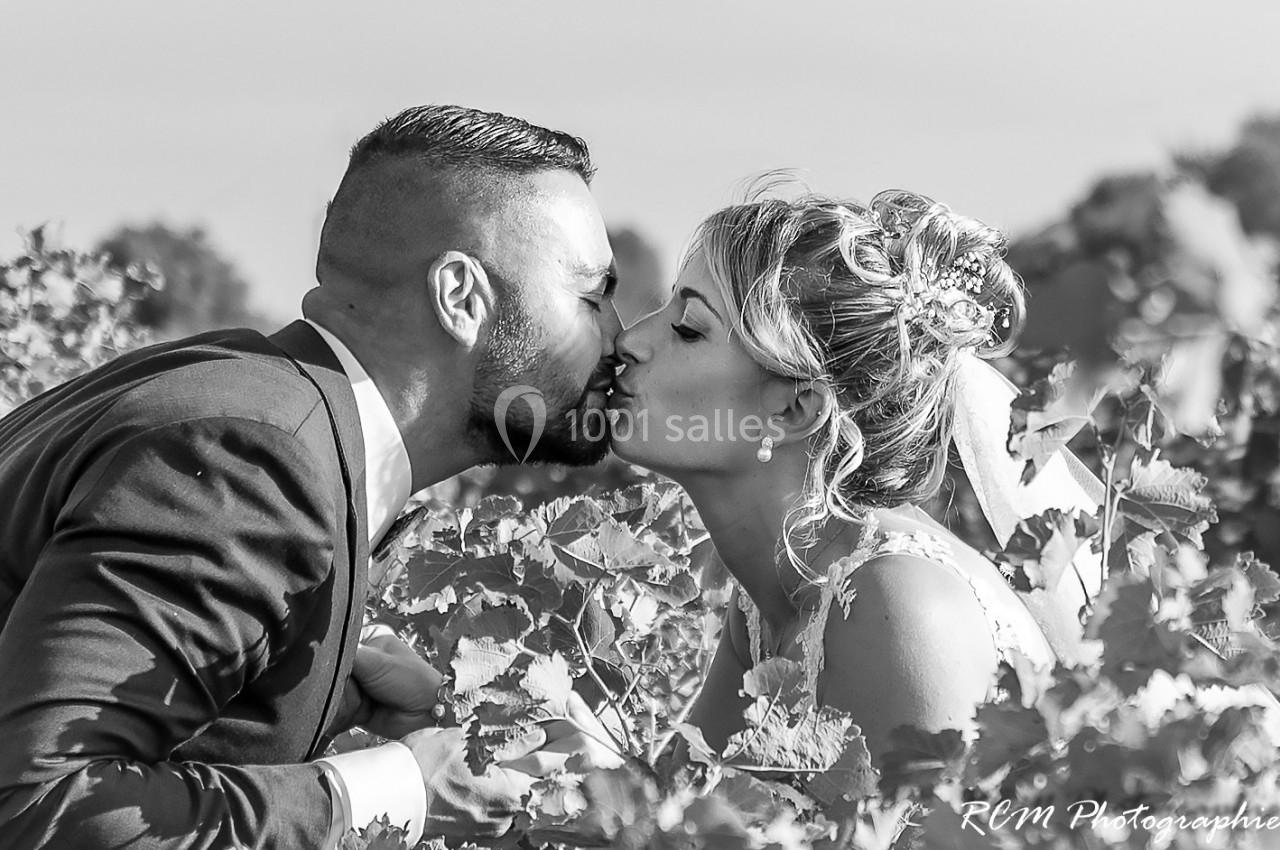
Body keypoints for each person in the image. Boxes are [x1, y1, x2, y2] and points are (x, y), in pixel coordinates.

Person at [0, 104, 623, 848]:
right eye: (593, 296)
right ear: (461, 298)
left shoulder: (244, 391)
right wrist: (404, 792)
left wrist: (332, 697)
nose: (621, 337)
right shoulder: (254, 460)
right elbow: (39, 804)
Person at [604, 189, 1065, 778]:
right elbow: (670, 807)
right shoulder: (769, 602)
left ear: (794, 409)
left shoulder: (898, 604)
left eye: (689, 329)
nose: (631, 341)